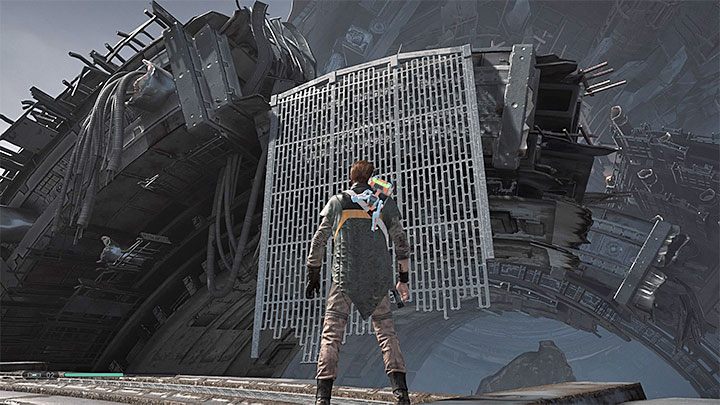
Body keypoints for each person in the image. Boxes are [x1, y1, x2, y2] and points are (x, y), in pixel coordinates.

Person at [306, 160, 412, 405]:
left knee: (331, 335)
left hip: (343, 277)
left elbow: (319, 239)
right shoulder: (384, 202)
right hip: (377, 278)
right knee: (387, 334)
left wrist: (313, 273)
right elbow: (401, 243)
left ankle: (323, 397)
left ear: (350, 178)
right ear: (372, 178)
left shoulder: (337, 201)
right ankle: (401, 394)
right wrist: (403, 280)